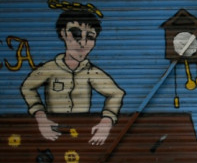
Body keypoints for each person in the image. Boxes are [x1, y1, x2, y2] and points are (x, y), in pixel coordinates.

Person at [21, 10, 125, 146]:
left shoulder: (91, 72)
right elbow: (28, 87)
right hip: (53, 130)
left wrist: (107, 121)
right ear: (63, 34)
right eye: (76, 34)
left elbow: (116, 93)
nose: (83, 43)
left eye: (90, 37)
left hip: (81, 131)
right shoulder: (50, 68)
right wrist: (41, 118)